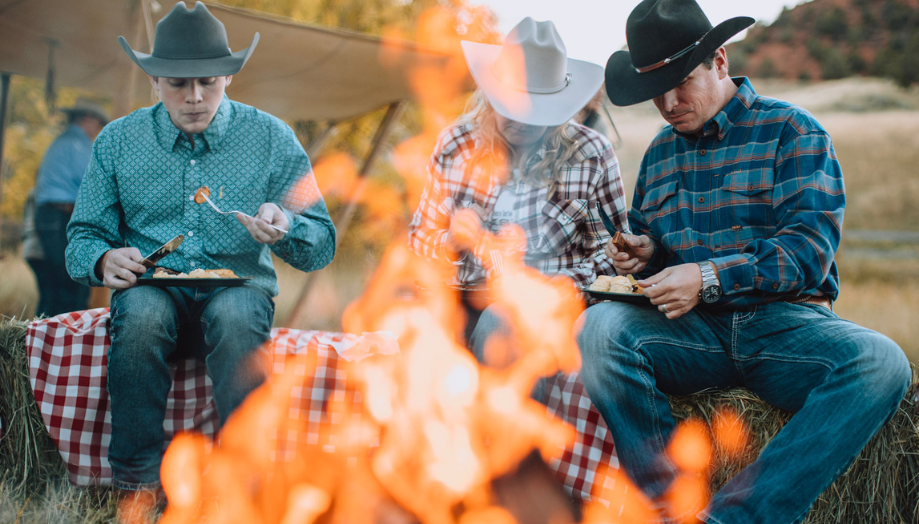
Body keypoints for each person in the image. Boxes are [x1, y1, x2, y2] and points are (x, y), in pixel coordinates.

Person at [577, 1, 912, 523]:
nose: (667, 102)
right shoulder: (660, 155)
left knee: (881, 363)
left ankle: (732, 518)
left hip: (786, 328)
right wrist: (643, 256)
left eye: (680, 81)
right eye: (654, 91)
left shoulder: (792, 132)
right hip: (691, 334)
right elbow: (657, 250)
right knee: (598, 331)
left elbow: (807, 250)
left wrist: (708, 277)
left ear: (720, 61)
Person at [65, 1, 336, 507]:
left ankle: (246, 481)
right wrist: (103, 261)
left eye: (208, 82)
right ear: (154, 82)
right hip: (151, 289)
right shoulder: (117, 142)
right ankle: (136, 485)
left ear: (228, 78)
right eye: (177, 84)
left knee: (236, 315)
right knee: (142, 314)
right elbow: (82, 237)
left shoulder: (273, 139)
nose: (193, 97)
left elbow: (322, 243)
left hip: (240, 288)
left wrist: (288, 226)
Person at [408, 18, 628, 375]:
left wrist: (558, 288)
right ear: (491, 94)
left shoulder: (592, 152)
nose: (523, 119)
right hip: (459, 295)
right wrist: (451, 241)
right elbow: (419, 241)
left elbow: (614, 255)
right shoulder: (455, 145)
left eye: (535, 108)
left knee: (501, 326)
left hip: (549, 307)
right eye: (512, 104)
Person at [32, 97, 109, 316]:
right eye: (97, 122)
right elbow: (92, 181)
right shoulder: (78, 145)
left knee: (53, 286)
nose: (97, 129)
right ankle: (68, 338)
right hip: (60, 216)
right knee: (72, 282)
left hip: (49, 215)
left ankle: (40, 340)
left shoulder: (60, 142)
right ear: (88, 118)